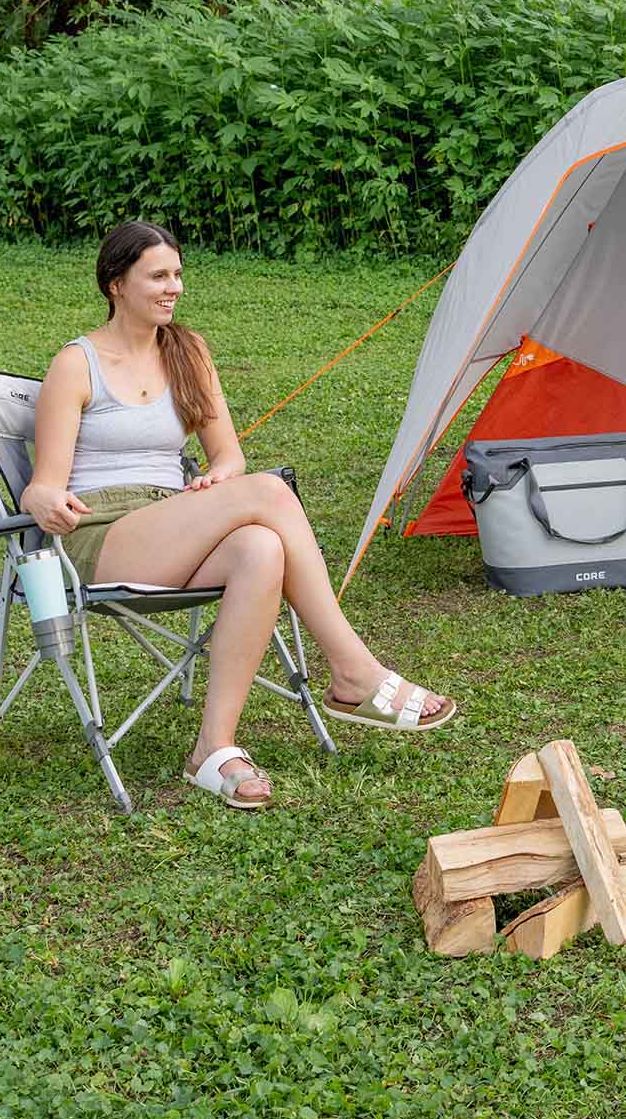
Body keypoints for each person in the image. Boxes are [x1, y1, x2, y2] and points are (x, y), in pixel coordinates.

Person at [22, 221, 456, 811]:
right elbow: (43, 487)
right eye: (157, 276)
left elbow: (227, 455)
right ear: (115, 283)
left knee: (261, 548)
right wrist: (41, 500)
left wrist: (219, 477)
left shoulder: (188, 353)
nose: (173, 287)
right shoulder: (77, 364)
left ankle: (212, 747)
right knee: (271, 495)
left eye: (177, 274)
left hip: (172, 517)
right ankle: (354, 671)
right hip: (101, 534)